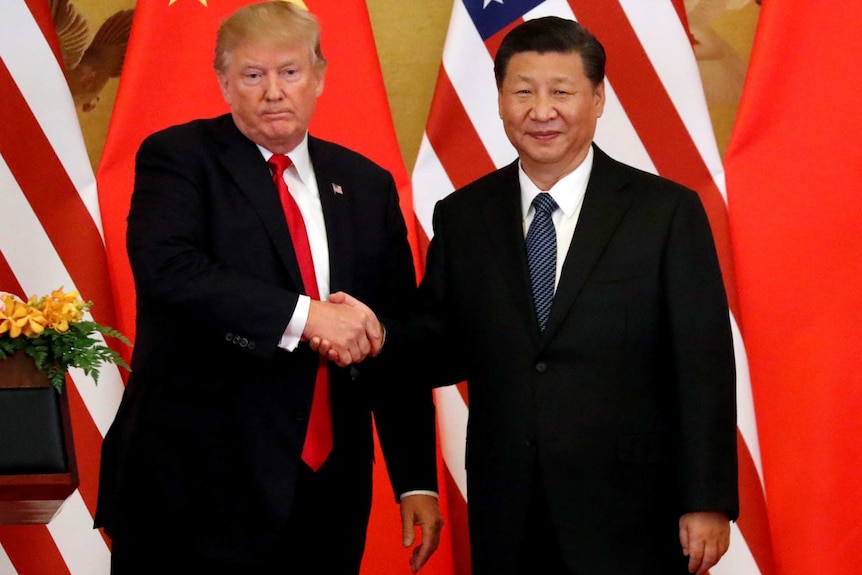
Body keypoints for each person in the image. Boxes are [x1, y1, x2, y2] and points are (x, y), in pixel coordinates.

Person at [331, 15, 738, 575]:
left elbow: (703, 365)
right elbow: (443, 342)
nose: (541, 111)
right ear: (500, 101)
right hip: (509, 509)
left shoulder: (665, 213)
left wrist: (707, 499)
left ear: (597, 99)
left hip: (633, 511)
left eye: (562, 92)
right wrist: (377, 333)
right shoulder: (464, 216)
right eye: (523, 92)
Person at [94, 3, 442, 574]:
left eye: (290, 72)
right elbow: (169, 271)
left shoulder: (367, 185)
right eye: (253, 75)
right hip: (196, 490)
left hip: (327, 495)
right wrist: (309, 317)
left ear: (320, 77)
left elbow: (391, 336)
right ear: (225, 83)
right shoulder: (177, 159)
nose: (273, 92)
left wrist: (416, 481)